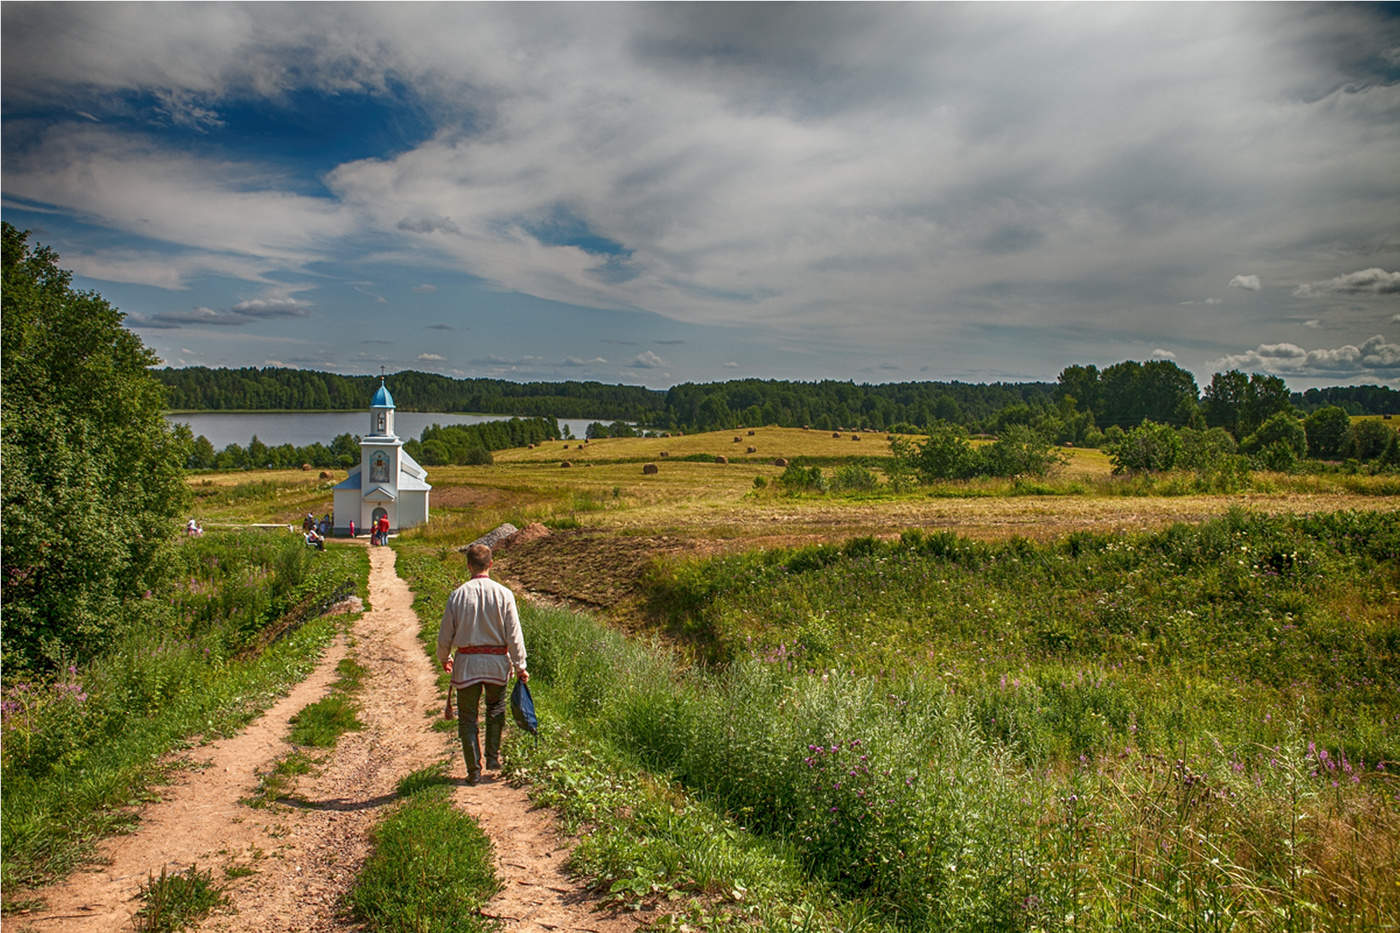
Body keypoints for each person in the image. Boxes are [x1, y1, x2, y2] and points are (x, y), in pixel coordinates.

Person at [436, 543, 528, 785]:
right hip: (496, 663)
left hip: (467, 663)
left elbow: (446, 633)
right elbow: (514, 634)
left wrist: (444, 657)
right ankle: (493, 756)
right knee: (495, 709)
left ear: (468, 565)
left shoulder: (458, 595)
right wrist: (521, 665)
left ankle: (473, 769)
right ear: (491, 564)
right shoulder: (504, 594)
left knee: (467, 717)